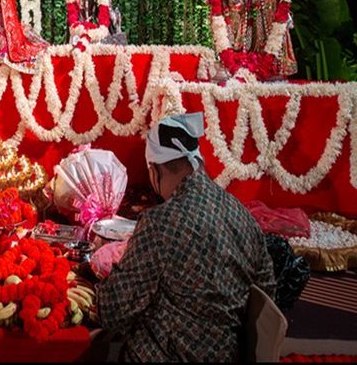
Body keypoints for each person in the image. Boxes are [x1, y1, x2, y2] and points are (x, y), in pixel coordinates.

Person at [97, 112, 276, 362]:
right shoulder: (242, 214)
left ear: (154, 171)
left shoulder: (160, 222)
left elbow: (114, 310)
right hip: (231, 355)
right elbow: (266, 291)